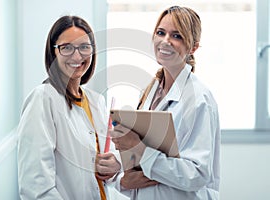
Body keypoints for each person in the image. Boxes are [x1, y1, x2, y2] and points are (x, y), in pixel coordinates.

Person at [111, 6, 220, 200]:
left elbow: (198, 175)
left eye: (176, 36)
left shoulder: (198, 99)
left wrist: (139, 149)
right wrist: (119, 171)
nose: (165, 41)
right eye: (161, 33)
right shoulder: (150, 92)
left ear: (193, 47)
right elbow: (143, 166)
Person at [17, 15, 121, 200]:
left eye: (84, 47)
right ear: (53, 52)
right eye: (66, 48)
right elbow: (36, 187)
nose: (77, 56)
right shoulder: (43, 98)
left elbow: (102, 168)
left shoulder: (96, 101)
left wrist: (114, 166)